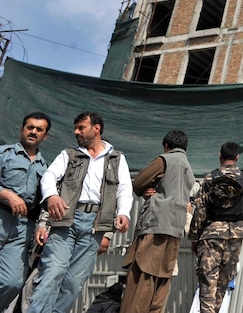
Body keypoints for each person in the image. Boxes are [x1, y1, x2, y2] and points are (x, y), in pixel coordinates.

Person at [28, 111, 132, 313]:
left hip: (95, 226)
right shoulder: (68, 154)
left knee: (73, 283)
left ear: (96, 128)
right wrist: (52, 196)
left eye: (81, 127)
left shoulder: (117, 159)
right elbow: (48, 177)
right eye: (75, 128)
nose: (76, 132)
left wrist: (124, 213)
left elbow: (124, 189)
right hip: (66, 220)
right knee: (52, 273)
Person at [119, 130, 195, 313]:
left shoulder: (165, 159)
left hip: (155, 226)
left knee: (140, 282)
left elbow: (138, 183)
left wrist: (147, 189)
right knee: (161, 284)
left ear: (167, 145)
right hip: (175, 230)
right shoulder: (188, 169)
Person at [188, 142, 243, 313]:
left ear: (220, 155)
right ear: (237, 157)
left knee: (207, 281)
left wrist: (195, 237)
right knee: (223, 282)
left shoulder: (211, 178)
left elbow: (201, 210)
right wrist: (242, 225)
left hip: (211, 235)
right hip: (235, 236)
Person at [0, 112, 51, 310]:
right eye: (30, 127)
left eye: (39, 129)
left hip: (23, 228)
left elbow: (45, 202)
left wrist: (41, 226)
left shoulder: (46, 168)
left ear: (45, 136)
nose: (33, 132)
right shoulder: (4, 154)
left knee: (12, 282)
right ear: (22, 129)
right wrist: (7, 195)